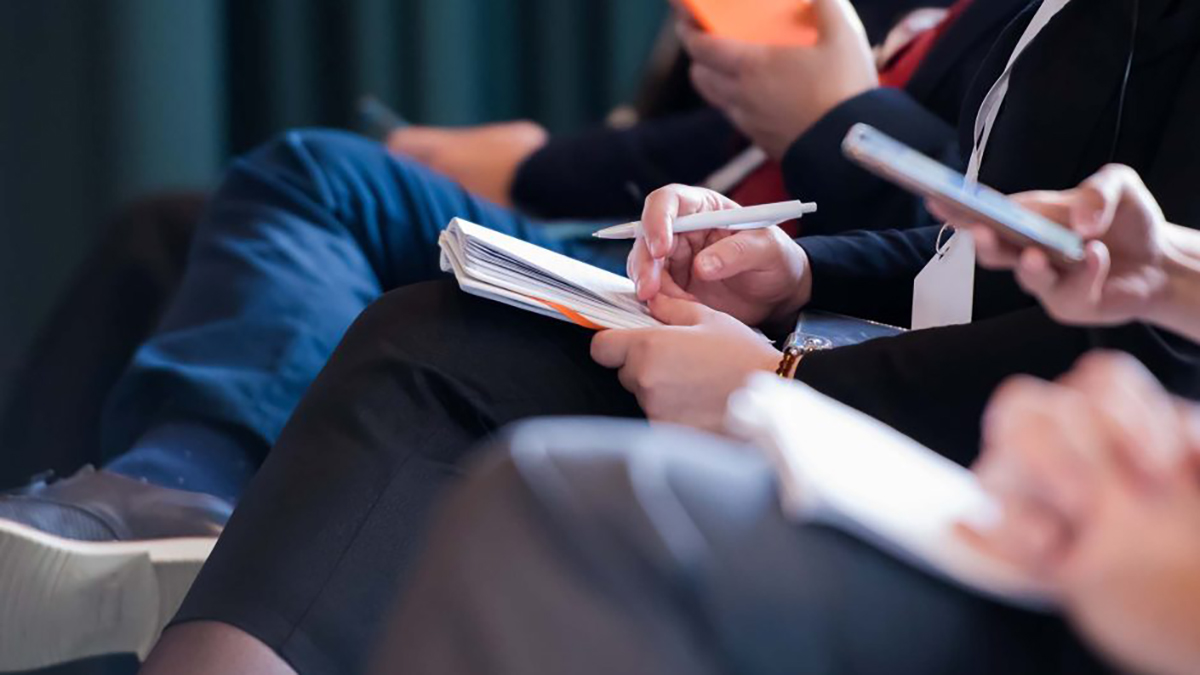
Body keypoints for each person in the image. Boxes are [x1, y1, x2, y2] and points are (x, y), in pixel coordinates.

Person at [120, 2, 1200, 673]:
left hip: (1008, 489)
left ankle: (190, 499)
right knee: (338, 296)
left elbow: (1135, 355)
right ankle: (144, 502)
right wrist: (797, 275)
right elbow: (977, 256)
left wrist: (787, 379)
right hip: (895, 375)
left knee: (479, 402)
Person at [373, 165, 1200, 675]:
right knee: (427, 327)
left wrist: (788, 377)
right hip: (996, 464)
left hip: (1086, 559)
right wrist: (1168, 269)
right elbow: (964, 265)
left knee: (563, 497)